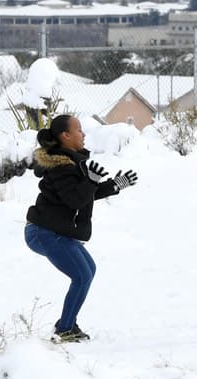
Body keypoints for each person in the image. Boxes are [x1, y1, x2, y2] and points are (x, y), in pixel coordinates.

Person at [25, 114, 138, 342]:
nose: (84, 134)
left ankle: (67, 324)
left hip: (54, 230)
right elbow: (75, 200)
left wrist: (115, 184)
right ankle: (65, 329)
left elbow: (86, 194)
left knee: (88, 270)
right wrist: (91, 181)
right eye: (79, 130)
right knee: (82, 275)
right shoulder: (61, 167)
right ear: (65, 136)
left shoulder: (71, 163)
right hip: (43, 232)